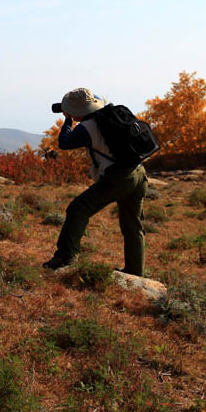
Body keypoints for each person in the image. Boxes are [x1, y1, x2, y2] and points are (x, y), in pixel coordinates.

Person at [43, 87, 148, 276]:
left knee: (77, 209)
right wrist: (76, 108)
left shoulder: (87, 127)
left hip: (119, 177)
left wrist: (68, 118)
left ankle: (64, 258)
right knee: (133, 225)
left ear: (76, 111)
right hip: (139, 173)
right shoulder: (111, 114)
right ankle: (135, 271)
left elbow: (64, 143)